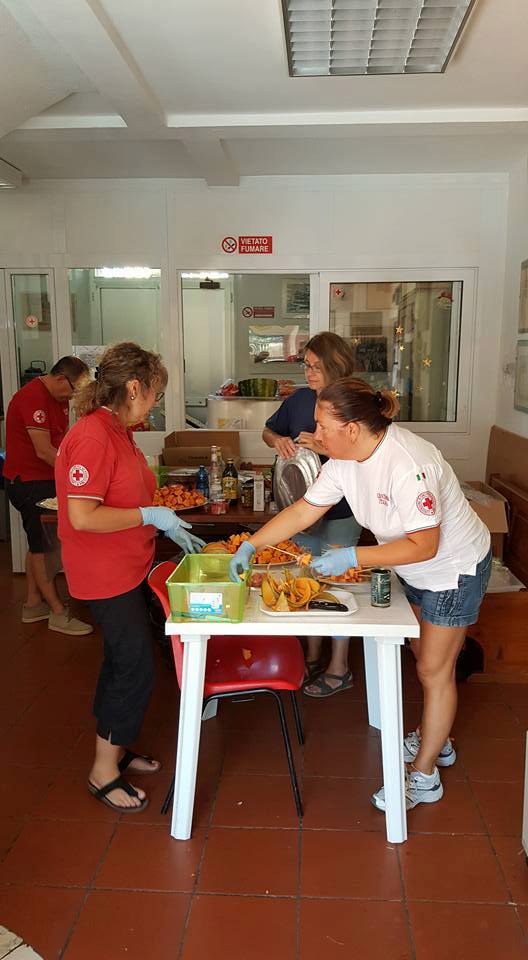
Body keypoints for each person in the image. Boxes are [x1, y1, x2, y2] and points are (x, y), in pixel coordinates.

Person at [231, 377, 491, 811]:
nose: (314, 433)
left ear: (351, 428)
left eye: (322, 424)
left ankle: (425, 775)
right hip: (415, 568)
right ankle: (437, 738)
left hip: (453, 569)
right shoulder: (342, 461)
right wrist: (251, 544)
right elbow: (303, 510)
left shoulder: (409, 464)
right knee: (422, 656)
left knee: (432, 669)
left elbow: (425, 544)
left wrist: (353, 555)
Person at [55, 342, 205, 813]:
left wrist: (155, 511)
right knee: (135, 665)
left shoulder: (119, 429)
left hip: (128, 566)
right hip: (105, 574)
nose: (156, 403)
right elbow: (82, 515)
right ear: (134, 387)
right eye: (155, 393)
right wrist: (148, 514)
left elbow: (126, 489)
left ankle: (115, 748)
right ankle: (103, 771)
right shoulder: (93, 435)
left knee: (123, 661)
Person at [262, 332, 362, 696]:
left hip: (343, 510)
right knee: (305, 577)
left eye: (315, 366)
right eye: (305, 364)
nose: (308, 372)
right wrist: (278, 441)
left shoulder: (354, 402)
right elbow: (267, 430)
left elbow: (364, 453)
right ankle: (313, 654)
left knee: (338, 584)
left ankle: (340, 666)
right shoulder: (300, 399)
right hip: (300, 505)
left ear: (336, 366)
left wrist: (323, 445)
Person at [4, 355, 93, 634]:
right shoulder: (33, 398)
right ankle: (57, 611)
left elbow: (62, 441)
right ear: (59, 379)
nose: (73, 397)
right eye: (73, 390)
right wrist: (75, 476)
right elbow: (44, 451)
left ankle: (33, 603)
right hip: (29, 482)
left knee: (38, 543)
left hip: (45, 480)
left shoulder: (58, 398)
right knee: (44, 547)